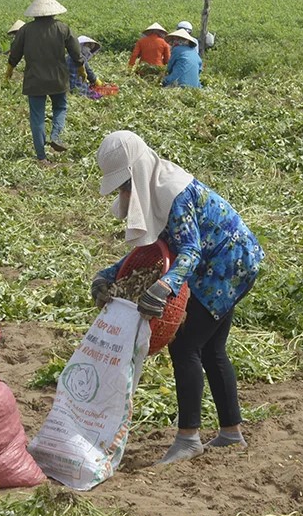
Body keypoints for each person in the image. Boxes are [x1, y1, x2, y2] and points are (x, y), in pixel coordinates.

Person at [91, 131, 263, 465]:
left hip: (227, 264)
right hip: (221, 261)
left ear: (137, 171)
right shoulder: (153, 186)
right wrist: (108, 275)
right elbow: (154, 246)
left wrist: (165, 286)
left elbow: (190, 250)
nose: (125, 192)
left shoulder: (173, 191)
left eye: (126, 184)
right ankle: (231, 433)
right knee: (211, 348)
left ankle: (188, 439)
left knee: (185, 345)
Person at [5, 0, 83, 166]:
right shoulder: (62, 28)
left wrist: (9, 69)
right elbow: (76, 51)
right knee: (60, 107)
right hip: (58, 79)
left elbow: (15, 52)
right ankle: (56, 136)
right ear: (53, 12)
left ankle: (41, 157)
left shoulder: (25, 30)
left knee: (37, 117)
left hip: (34, 80)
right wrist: (81, 68)